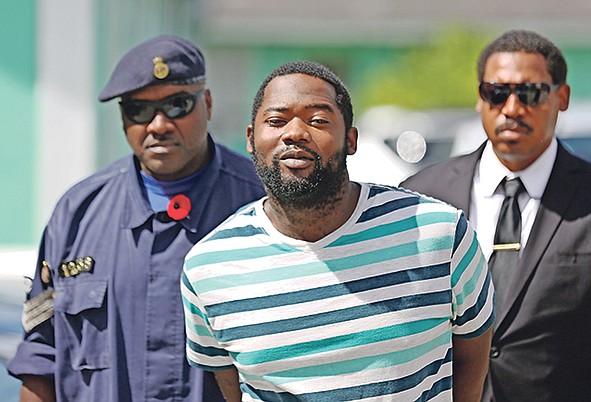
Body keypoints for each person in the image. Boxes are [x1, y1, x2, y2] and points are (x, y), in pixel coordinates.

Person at [180, 60, 495, 401]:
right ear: (251, 139)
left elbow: (473, 355)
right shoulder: (207, 268)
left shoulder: (439, 234)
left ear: (351, 140)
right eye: (276, 121)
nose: (295, 133)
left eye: (318, 120)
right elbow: (233, 389)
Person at [401, 29, 591, 401]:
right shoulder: (422, 196)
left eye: (529, 93)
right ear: (480, 99)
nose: (512, 108)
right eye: (496, 93)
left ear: (561, 97)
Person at [7, 35, 265, 401]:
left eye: (177, 105)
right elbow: (40, 360)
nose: (159, 125)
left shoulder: (264, 204)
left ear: (206, 103)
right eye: (139, 111)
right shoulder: (78, 212)